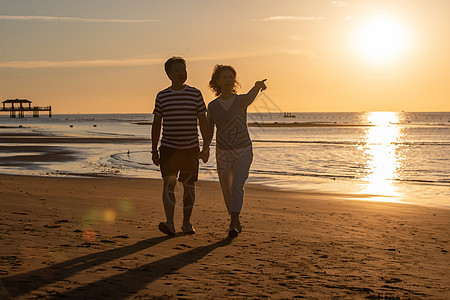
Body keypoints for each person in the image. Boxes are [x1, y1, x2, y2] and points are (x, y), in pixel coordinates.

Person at [202, 65, 266, 238]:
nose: (229, 80)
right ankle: (235, 219)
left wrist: (258, 85)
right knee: (227, 188)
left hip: (243, 149)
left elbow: (253, 92)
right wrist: (205, 148)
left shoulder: (241, 101)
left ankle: (232, 223)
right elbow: (209, 130)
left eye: (231, 77)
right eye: (225, 77)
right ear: (217, 82)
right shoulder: (213, 106)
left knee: (238, 185)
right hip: (223, 152)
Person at [152, 56, 209, 236]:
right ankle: (170, 223)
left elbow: (203, 121)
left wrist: (206, 146)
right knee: (168, 185)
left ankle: (186, 222)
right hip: (168, 148)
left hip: (190, 149)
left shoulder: (195, 94)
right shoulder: (162, 96)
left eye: (183, 69)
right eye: (176, 70)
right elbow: (156, 124)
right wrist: (154, 149)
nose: (181, 73)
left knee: (189, 186)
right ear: (169, 74)